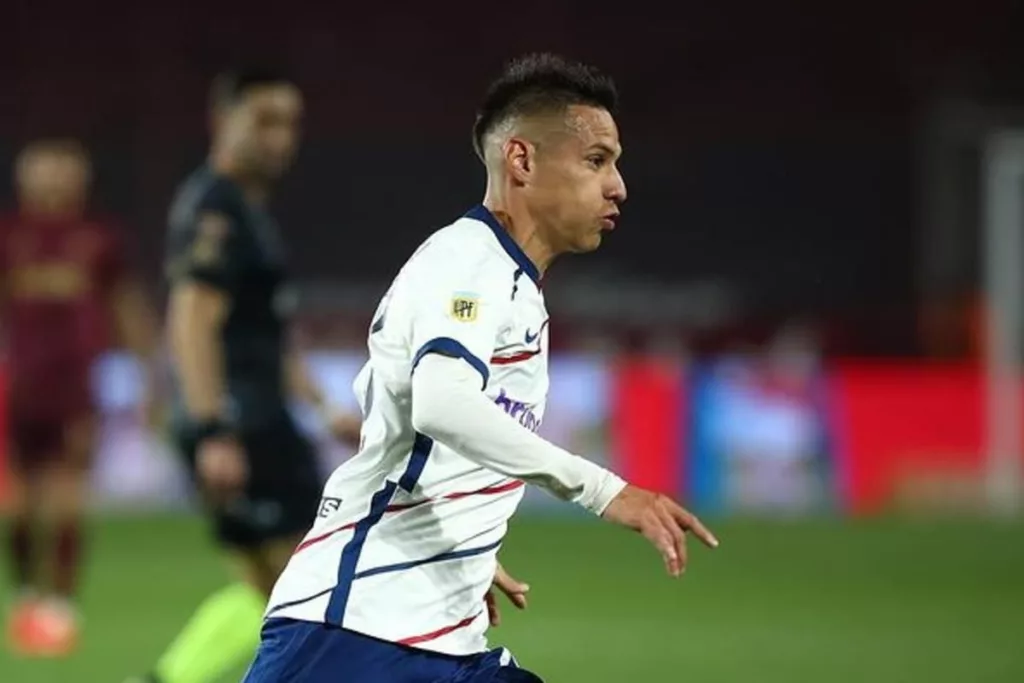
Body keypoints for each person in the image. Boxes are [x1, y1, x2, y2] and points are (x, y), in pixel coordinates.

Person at [243, 53, 719, 683]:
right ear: (522, 160)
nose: (618, 186)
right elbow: (441, 403)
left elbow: (395, 414)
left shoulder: (511, 283)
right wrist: (605, 490)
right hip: (357, 632)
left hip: (441, 634)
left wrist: (461, 550)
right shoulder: (469, 262)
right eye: (597, 160)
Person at [131, 68, 360, 683]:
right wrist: (213, 429)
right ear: (221, 120)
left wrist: (319, 405)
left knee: (286, 592)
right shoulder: (216, 211)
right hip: (241, 421)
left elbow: (265, 333)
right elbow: (191, 321)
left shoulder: (247, 212)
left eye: (289, 122)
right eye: (263, 120)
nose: (280, 137)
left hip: (261, 418)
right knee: (310, 590)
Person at [0, 139, 161, 657]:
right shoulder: (9, 235)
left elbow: (126, 303)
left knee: (70, 495)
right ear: (24, 179)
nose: (52, 181)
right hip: (19, 385)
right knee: (19, 503)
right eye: (42, 171)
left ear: (80, 179)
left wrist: (149, 373)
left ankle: (61, 607)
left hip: (76, 386)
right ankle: (27, 595)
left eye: (62, 172)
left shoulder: (99, 238)